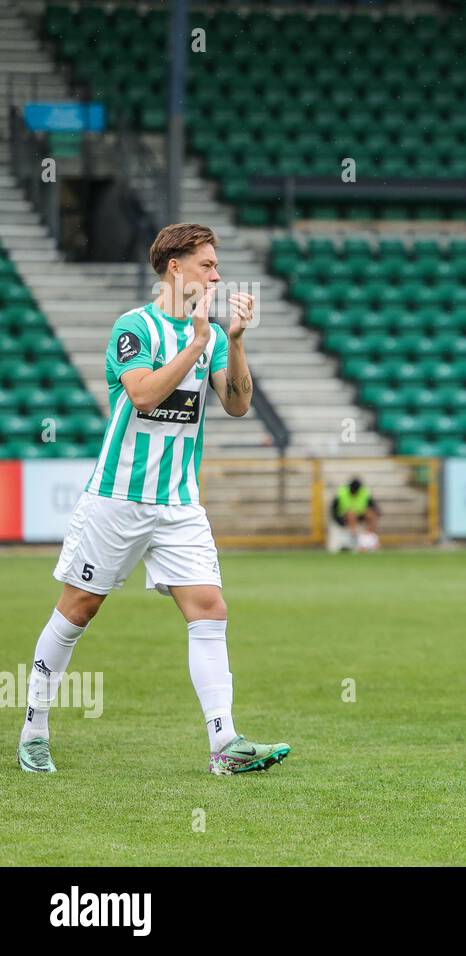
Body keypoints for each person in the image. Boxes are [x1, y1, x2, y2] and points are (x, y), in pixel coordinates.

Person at [18, 223, 290, 774]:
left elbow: (237, 404)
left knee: (210, 608)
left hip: (179, 501)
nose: (216, 274)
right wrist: (195, 344)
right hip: (117, 497)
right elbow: (142, 396)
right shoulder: (133, 328)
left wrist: (233, 341)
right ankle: (33, 730)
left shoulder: (212, 334)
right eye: (207, 264)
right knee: (78, 610)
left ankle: (225, 744)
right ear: (175, 267)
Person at [332, 477, 381, 552]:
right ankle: (356, 539)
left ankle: (368, 537)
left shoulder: (364, 492)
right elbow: (333, 509)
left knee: (371, 514)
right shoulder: (342, 492)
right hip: (346, 516)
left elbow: (373, 506)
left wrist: (376, 513)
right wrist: (339, 521)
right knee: (351, 514)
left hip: (360, 514)